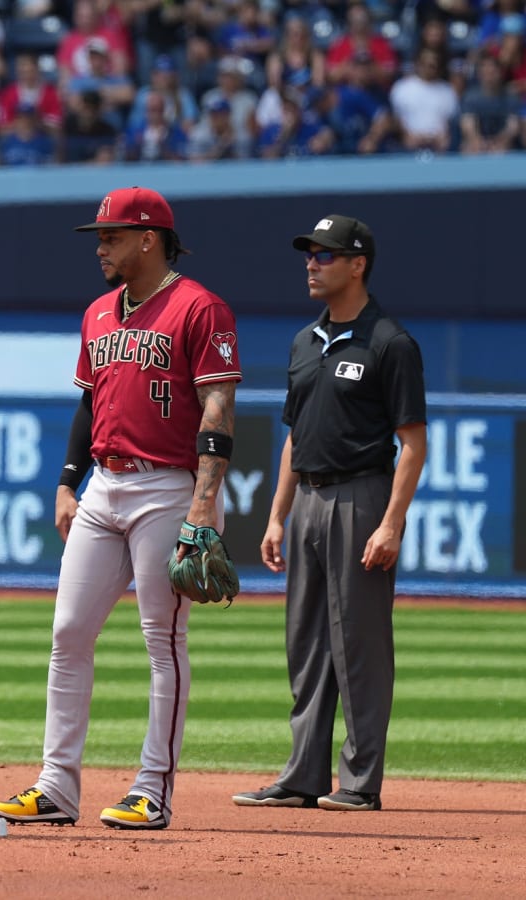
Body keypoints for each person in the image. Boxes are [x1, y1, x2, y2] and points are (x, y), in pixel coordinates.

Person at [0, 186, 241, 830]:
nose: (100, 246)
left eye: (112, 236)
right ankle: (56, 787)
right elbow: (88, 404)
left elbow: (218, 409)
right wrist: (69, 482)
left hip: (168, 487)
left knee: (163, 638)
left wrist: (204, 506)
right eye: (100, 236)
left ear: (148, 239)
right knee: (68, 632)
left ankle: (152, 788)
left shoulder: (199, 308)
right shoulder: (99, 312)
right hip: (104, 484)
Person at [233, 214, 427, 813]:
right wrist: (275, 514)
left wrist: (391, 522)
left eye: (325, 255)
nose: (312, 264)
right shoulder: (304, 341)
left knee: (360, 644)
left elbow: (414, 442)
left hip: (361, 496)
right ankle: (302, 776)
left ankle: (361, 782)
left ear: (357, 263)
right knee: (306, 643)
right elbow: (295, 436)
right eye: (310, 254)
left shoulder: (390, 342)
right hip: (310, 500)